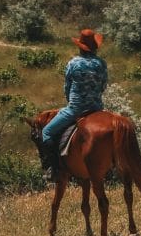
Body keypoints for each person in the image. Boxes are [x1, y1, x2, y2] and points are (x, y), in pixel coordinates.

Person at [39, 29, 108, 180]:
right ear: (95, 47)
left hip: (76, 109)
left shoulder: (73, 63)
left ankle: (54, 168)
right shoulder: (101, 64)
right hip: (97, 109)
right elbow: (103, 86)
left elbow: (67, 88)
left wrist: (71, 101)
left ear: (80, 47)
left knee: (46, 133)